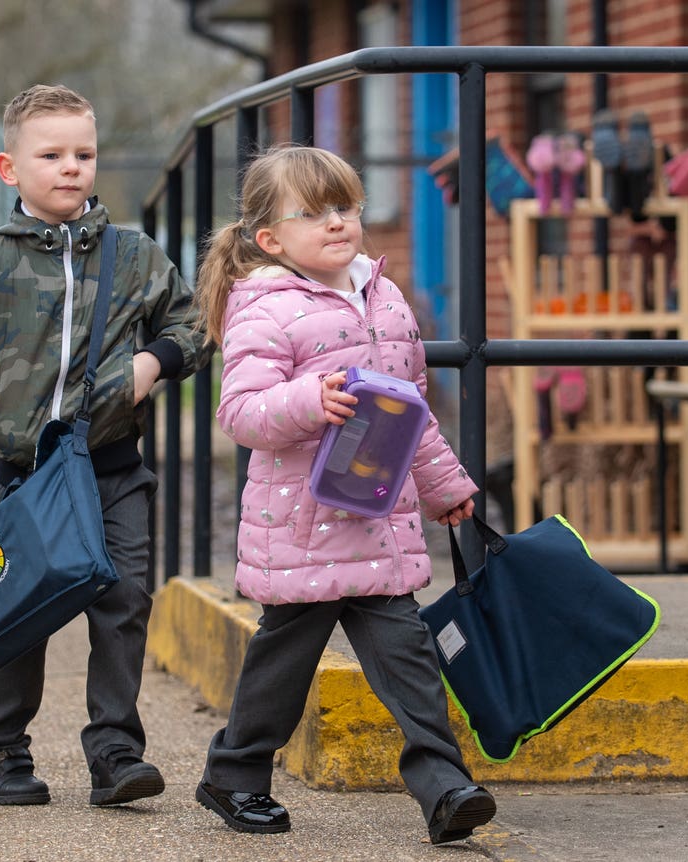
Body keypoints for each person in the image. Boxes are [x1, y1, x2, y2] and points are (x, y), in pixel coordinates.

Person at [190, 144, 495, 845]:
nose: (337, 222)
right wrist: (307, 400)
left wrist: (442, 485)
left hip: (379, 521)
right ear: (270, 239)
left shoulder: (384, 296)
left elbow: (410, 406)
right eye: (315, 212)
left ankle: (445, 787)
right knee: (282, 667)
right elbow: (240, 412)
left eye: (346, 207)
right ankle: (234, 773)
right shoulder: (265, 306)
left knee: (410, 658)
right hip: (302, 527)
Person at [0, 84, 207, 808]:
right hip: (26, 478)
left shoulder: (136, 255)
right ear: (10, 167)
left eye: (83, 154)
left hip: (112, 469)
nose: (71, 167)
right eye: (50, 155)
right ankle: (1, 754)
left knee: (123, 602)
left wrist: (154, 363)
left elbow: (192, 326)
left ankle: (115, 753)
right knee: (21, 613)